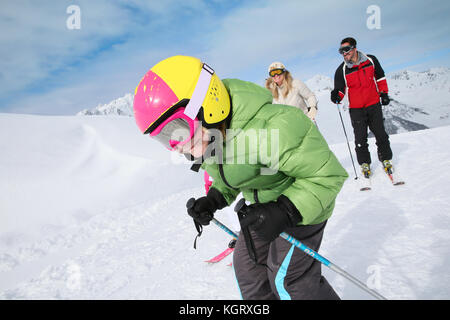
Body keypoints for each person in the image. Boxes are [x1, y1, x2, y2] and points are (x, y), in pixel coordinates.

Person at [133, 55, 348, 300]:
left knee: (288, 280)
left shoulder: (270, 128)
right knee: (249, 272)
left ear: (207, 104)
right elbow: (231, 176)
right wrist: (213, 200)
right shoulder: (212, 136)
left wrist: (285, 210)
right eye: (164, 139)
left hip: (302, 211)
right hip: (261, 212)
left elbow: (327, 175)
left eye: (177, 129)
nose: (177, 146)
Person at [330, 37, 393, 177]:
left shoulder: (370, 60)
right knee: (360, 138)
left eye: (346, 49)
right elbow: (340, 89)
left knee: (380, 133)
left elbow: (380, 77)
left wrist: (384, 93)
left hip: (373, 104)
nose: (344, 53)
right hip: (356, 109)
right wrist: (336, 96)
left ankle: (386, 158)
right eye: (341, 51)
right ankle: (364, 163)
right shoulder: (342, 70)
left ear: (354, 48)